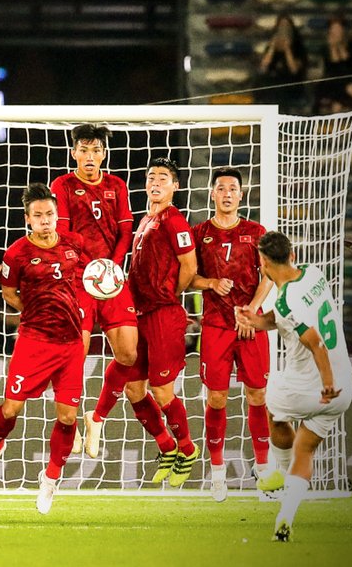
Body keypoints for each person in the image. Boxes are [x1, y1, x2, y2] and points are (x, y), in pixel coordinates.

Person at [0, 183, 94, 514]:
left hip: (70, 343)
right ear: (28, 218)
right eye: (38, 215)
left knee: (67, 417)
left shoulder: (74, 243)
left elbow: (90, 278)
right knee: (11, 408)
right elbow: (8, 293)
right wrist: (35, 310)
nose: (45, 220)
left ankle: (51, 478)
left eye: (50, 214)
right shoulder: (17, 253)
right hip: (34, 341)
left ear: (57, 215)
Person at [237, 231, 352, 543]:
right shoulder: (313, 274)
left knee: (272, 407)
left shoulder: (286, 300)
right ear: (292, 255)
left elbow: (316, 344)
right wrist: (256, 320)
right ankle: (285, 517)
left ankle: (278, 471)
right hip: (344, 387)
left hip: (314, 385)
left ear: (263, 263)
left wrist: (326, 383)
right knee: (305, 449)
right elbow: (283, 319)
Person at [50, 124, 139, 459]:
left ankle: (97, 417)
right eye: (84, 150)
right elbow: (63, 233)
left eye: (96, 150)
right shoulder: (62, 185)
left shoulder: (117, 185)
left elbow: (126, 230)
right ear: (74, 152)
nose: (90, 156)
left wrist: (111, 267)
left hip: (111, 279)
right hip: (78, 280)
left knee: (128, 354)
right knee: (75, 354)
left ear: (104, 154)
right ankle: (69, 422)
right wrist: (90, 268)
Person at [188, 167, 275, 501]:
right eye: (221, 188)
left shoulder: (256, 232)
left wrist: (252, 309)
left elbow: (269, 275)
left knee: (257, 394)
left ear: (241, 194)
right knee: (216, 398)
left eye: (232, 188)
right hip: (216, 326)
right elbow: (188, 279)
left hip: (250, 325)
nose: (227, 193)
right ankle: (217, 472)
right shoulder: (199, 233)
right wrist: (211, 282)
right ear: (212, 193)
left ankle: (264, 469)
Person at [125, 158, 200, 486]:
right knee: (133, 388)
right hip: (139, 314)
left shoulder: (175, 221)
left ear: (175, 186)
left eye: (163, 178)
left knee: (161, 389)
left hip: (163, 315)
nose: (155, 182)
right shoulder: (145, 220)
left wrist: (170, 294)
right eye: (151, 177)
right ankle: (167, 446)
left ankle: (188, 449)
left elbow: (190, 267)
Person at [314, 16, 352, 114]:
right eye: (334, 29)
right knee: (344, 86)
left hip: (350, 76)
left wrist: (340, 45)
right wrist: (333, 46)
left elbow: (346, 59)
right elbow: (335, 62)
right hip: (331, 79)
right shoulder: (325, 48)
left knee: (338, 103)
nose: (337, 32)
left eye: (339, 29)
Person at [256, 15, 309, 113]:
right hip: (274, 82)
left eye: (286, 27)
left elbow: (294, 70)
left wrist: (287, 49)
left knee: (279, 91)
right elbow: (263, 67)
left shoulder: (298, 47)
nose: (283, 30)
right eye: (281, 27)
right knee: (261, 84)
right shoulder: (272, 47)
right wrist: (272, 48)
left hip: (291, 83)